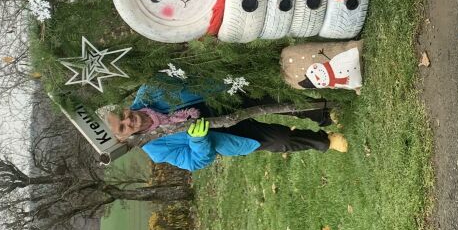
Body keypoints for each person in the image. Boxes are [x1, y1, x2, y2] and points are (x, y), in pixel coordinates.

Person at [105, 81, 348, 171]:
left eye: (124, 116)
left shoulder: (149, 91)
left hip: (220, 98)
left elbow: (186, 73)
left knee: (275, 101)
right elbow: (195, 162)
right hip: (221, 135)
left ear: (125, 108)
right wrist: (198, 140)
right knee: (279, 140)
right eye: (124, 128)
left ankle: (322, 112)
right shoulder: (155, 149)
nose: (129, 121)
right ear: (126, 136)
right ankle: (325, 141)